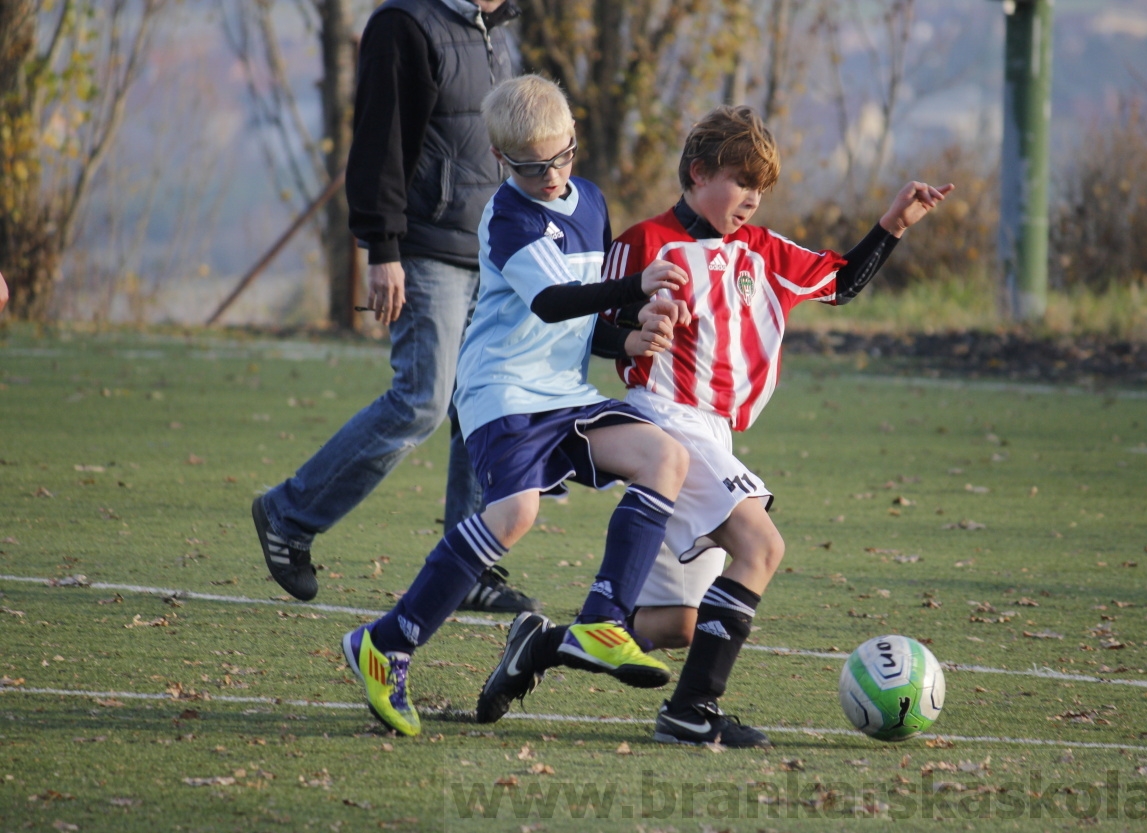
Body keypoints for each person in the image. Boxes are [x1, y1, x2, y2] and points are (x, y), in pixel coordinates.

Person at [477, 104, 953, 747]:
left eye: (762, 189)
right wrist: (635, 340)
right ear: (698, 174)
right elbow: (592, 328)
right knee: (762, 547)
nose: (753, 200)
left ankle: (538, 649)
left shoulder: (762, 252)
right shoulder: (644, 244)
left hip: (714, 434)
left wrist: (894, 225)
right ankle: (692, 711)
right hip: (664, 423)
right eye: (741, 183)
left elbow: (839, 285)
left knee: (674, 625)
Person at [340, 74, 694, 737]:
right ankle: (387, 642)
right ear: (504, 163)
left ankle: (602, 620)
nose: (554, 176)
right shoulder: (509, 217)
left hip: (562, 391)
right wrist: (635, 283)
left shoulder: (589, 200)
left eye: (563, 157)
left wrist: (630, 333)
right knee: (514, 513)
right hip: (500, 390)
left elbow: (586, 322)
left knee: (664, 458)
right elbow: (552, 302)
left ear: (574, 140)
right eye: (533, 168)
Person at [252, 0, 538, 613]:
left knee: (481, 407)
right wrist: (382, 247)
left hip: (487, 249)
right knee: (422, 400)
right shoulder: (405, 23)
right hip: (423, 246)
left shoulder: (496, 32)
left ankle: (469, 565)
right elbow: (378, 140)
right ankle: (288, 514)